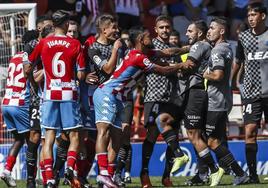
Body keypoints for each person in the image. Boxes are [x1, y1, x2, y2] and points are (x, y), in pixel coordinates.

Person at [93, 27, 194, 188]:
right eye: (148, 36)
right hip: (107, 93)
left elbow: (166, 52)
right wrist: (182, 65)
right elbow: (162, 70)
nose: (151, 37)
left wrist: (185, 49)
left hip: (119, 97)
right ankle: (103, 173)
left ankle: (108, 178)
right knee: (103, 131)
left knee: (117, 138)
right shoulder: (138, 57)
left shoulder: (144, 53)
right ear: (140, 39)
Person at [24, 10, 85, 188]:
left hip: (49, 94)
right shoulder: (75, 44)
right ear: (66, 24)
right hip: (68, 93)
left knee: (48, 137)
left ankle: (49, 178)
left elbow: (28, 68)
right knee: (74, 136)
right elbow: (81, 75)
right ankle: (70, 168)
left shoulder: (43, 42)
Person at [140, 15, 189, 188]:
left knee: (172, 135)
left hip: (172, 97)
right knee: (152, 134)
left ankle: (166, 176)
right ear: (156, 29)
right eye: (162, 27)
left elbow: (177, 72)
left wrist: (181, 71)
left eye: (168, 27)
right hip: (154, 96)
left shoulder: (174, 48)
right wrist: (183, 59)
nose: (165, 30)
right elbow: (163, 68)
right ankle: (144, 174)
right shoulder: (151, 46)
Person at [204, 17, 249, 185]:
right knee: (219, 140)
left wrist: (204, 74)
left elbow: (218, 75)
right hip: (224, 99)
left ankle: (238, 172)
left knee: (211, 141)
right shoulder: (228, 47)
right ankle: (229, 170)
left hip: (216, 101)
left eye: (212, 28)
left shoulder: (217, 51)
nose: (209, 30)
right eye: (209, 27)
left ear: (221, 31)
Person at [180, 20, 224, 186]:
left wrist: (168, 68)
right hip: (200, 92)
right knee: (197, 135)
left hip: (196, 92)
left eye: (190, 31)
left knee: (193, 134)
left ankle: (213, 169)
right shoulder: (207, 47)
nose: (186, 34)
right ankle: (204, 173)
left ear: (199, 33)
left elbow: (189, 64)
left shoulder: (200, 45)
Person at [231, 2, 268, 183]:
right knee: (250, 131)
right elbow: (238, 61)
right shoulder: (244, 37)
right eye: (249, 15)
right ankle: (253, 176)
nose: (251, 18)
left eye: (254, 15)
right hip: (251, 93)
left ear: (263, 16)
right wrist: (229, 82)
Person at [0, 31, 38, 188]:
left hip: (6, 102)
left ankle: (7, 170)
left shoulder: (15, 56)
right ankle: (32, 179)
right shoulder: (30, 57)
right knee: (33, 141)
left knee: (18, 139)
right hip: (20, 102)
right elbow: (32, 77)